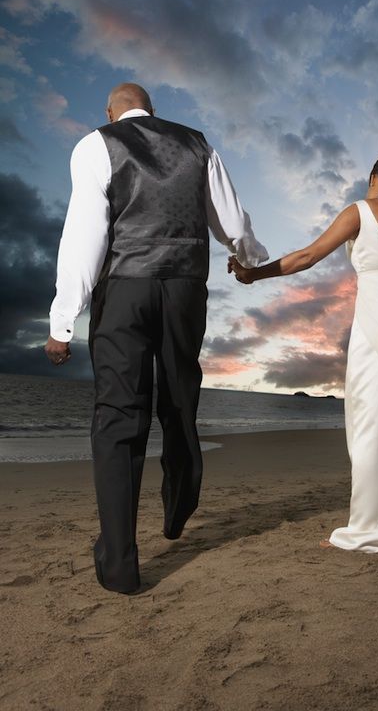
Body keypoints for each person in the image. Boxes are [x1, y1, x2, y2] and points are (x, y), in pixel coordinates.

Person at [45, 83, 268, 593]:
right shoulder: (197, 144)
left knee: (120, 418)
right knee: (179, 400)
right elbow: (232, 220)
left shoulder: (97, 143)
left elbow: (86, 234)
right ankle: (179, 503)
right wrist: (249, 259)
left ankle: (121, 565)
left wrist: (63, 321)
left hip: (125, 289)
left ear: (110, 111)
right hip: (186, 290)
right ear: (154, 111)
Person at [229, 148, 378, 552]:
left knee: (373, 419)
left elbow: (308, 256)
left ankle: (374, 521)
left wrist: (255, 275)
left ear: (375, 178)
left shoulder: (361, 210)